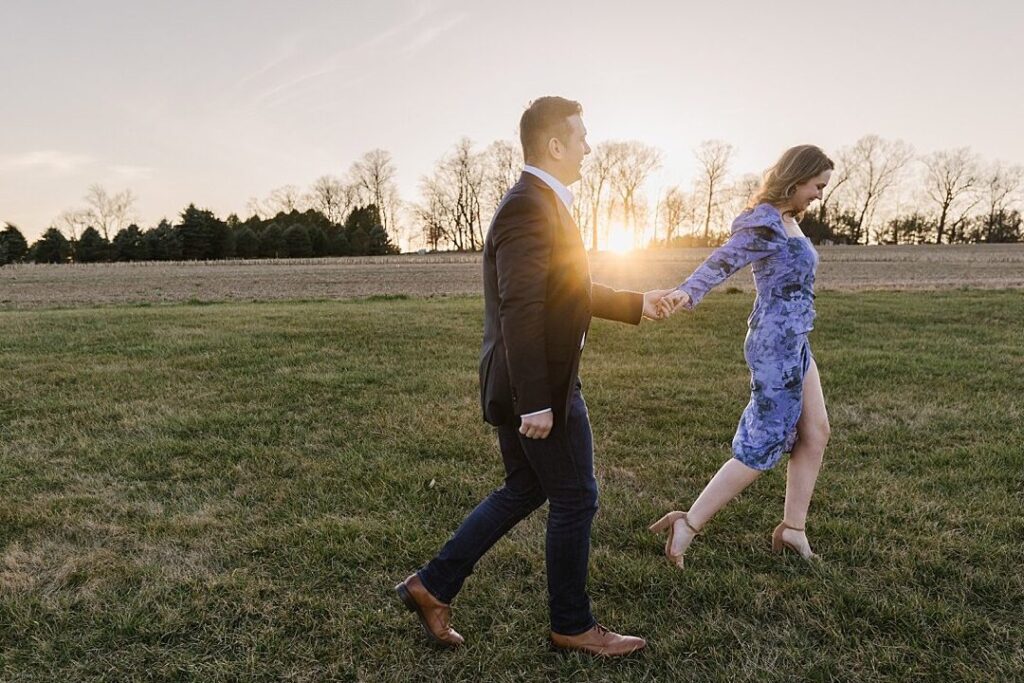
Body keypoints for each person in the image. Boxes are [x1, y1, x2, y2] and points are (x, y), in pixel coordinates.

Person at [395, 96, 674, 656]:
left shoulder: (541, 202)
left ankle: (432, 585)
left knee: (525, 488)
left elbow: (564, 289)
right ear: (554, 145)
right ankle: (571, 623)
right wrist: (536, 402)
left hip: (528, 383)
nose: (589, 147)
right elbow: (519, 307)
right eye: (581, 137)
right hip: (538, 386)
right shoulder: (529, 206)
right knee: (576, 497)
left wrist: (638, 303)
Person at [650, 145, 834, 569]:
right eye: (817, 185)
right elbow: (721, 263)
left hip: (795, 339)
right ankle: (688, 523)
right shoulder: (764, 222)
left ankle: (793, 530)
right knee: (763, 441)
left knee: (817, 430)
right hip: (775, 345)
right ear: (797, 177)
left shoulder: (788, 220)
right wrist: (686, 292)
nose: (821, 195)